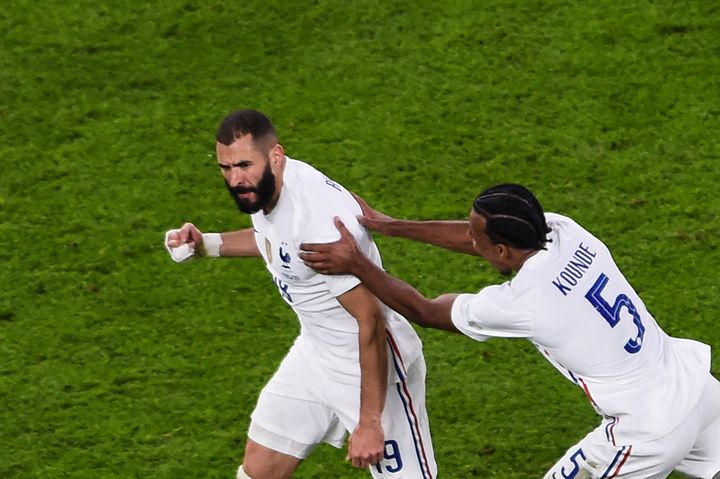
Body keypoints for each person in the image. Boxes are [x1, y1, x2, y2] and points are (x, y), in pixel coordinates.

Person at [298, 184, 720, 479]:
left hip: (647, 429)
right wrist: (392, 226)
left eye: (477, 237)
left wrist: (358, 264)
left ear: (501, 250)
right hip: (698, 388)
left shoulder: (526, 301)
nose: (470, 240)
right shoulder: (565, 231)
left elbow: (424, 310)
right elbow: (480, 238)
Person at [164, 109, 436, 479]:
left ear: (275, 155)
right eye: (225, 168)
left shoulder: (318, 222)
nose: (235, 179)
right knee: (259, 468)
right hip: (316, 354)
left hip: (374, 371)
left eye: (243, 165)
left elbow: (370, 318)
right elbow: (275, 241)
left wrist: (370, 421)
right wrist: (207, 245)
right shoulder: (267, 189)